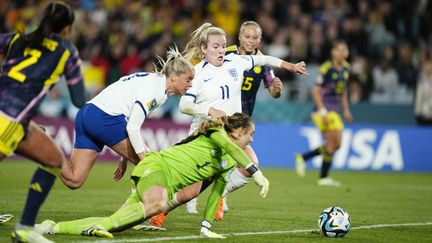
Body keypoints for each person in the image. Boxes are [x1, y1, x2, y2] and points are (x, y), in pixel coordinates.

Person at [137, 22, 307, 229]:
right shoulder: (197, 72)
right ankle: (158, 213)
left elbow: (264, 59)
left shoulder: (236, 62)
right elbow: (185, 104)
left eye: (223, 45)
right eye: (216, 46)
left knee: (250, 164)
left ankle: (220, 196)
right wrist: (208, 111)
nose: (220, 50)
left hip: (231, 131)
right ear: (204, 49)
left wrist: (291, 66)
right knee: (190, 192)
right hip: (205, 133)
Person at [36, 113, 270, 239]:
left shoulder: (229, 161)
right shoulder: (216, 132)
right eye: (251, 134)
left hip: (163, 182)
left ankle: (52, 227)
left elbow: (217, 191)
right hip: (156, 167)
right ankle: (48, 151)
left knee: (114, 225)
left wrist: (206, 227)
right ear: (239, 131)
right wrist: (255, 172)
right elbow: (229, 147)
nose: (252, 139)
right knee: (157, 204)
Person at [0, 2, 85, 243]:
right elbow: (79, 99)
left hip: (20, 123)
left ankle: (25, 228)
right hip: (9, 120)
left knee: (54, 160)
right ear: (67, 29)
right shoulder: (67, 51)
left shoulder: (18, 39)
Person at [59, 46, 194, 189]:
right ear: (173, 76)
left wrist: (124, 156)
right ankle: (151, 207)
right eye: (188, 79)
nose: (190, 85)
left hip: (88, 113)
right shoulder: (156, 91)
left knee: (74, 179)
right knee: (152, 164)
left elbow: (129, 119)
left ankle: (48, 155)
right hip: (105, 117)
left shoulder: (154, 82)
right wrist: (143, 160)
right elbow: (132, 127)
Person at [294, 40, 353, 186]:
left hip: (334, 110)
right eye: (339, 49)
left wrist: (346, 109)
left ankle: (304, 159)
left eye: (345, 49)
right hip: (323, 110)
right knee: (334, 144)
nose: (342, 53)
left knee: (334, 145)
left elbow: (343, 91)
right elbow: (315, 91)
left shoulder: (346, 68)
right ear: (333, 52)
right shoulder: (326, 68)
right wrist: (323, 111)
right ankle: (323, 177)